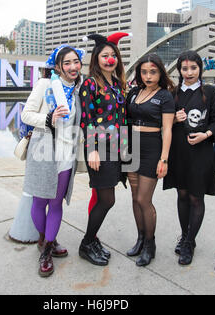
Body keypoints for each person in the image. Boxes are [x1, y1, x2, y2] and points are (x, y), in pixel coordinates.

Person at [20, 45, 85, 277]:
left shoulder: (79, 89)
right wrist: (49, 118)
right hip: (43, 149)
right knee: (39, 203)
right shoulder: (46, 85)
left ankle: (47, 248)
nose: (72, 67)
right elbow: (25, 114)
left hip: (66, 153)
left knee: (56, 204)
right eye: (67, 63)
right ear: (57, 67)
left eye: (75, 61)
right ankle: (47, 240)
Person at [163, 50, 215, 266]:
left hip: (201, 153)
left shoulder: (210, 91)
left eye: (193, 68)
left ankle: (190, 242)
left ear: (200, 69)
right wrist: (174, 119)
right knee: (182, 194)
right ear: (179, 70)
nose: (189, 72)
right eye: (185, 68)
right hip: (179, 153)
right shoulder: (173, 93)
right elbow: (164, 124)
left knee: (197, 197)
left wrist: (206, 135)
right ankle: (184, 234)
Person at [79, 32, 130, 266]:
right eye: (104, 55)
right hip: (100, 148)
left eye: (113, 55)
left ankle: (91, 241)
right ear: (96, 59)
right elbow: (87, 119)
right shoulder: (90, 83)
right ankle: (87, 243)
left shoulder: (118, 84)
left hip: (118, 148)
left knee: (106, 197)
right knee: (106, 199)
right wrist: (91, 150)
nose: (110, 59)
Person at [125, 54, 175, 266]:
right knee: (135, 199)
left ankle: (150, 244)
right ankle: (139, 238)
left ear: (160, 73)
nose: (148, 76)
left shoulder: (165, 96)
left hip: (151, 148)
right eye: (144, 72)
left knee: (144, 200)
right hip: (131, 147)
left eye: (152, 72)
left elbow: (168, 129)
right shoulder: (135, 92)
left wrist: (163, 159)